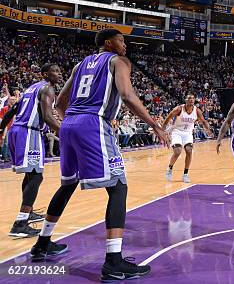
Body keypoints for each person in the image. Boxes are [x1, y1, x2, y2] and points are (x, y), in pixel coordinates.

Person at [29, 29, 169, 282]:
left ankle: (42, 244)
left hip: (70, 123)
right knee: (118, 187)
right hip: (92, 123)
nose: (125, 45)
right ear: (108, 43)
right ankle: (114, 262)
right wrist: (154, 124)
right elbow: (126, 95)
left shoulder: (81, 64)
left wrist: (70, 126)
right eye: (121, 40)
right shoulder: (119, 61)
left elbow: (60, 103)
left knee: (68, 184)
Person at [0, 64, 62, 237]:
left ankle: (28, 212)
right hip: (29, 132)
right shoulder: (47, 88)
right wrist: (65, 134)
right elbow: (48, 117)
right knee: (36, 176)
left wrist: (1, 128)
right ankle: (20, 223)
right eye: (55, 71)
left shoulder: (31, 88)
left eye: (59, 71)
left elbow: (13, 110)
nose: (59, 74)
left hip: (18, 131)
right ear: (44, 74)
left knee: (30, 175)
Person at [163, 94, 213, 183]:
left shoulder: (197, 111)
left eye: (193, 98)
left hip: (188, 133)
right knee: (177, 151)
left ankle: (185, 174)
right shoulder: (178, 109)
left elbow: (203, 121)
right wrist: (162, 131)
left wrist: (208, 130)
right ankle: (170, 168)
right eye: (189, 98)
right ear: (186, 100)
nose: (191, 100)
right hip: (177, 131)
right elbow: (168, 118)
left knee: (189, 151)